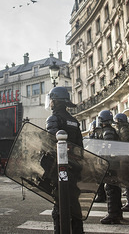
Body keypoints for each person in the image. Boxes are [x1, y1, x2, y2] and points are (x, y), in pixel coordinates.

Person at [45, 86, 84, 234]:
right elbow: (80, 147)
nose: (50, 103)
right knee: (73, 202)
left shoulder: (54, 118)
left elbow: (50, 142)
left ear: (55, 101)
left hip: (60, 168)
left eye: (51, 100)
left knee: (59, 205)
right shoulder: (74, 121)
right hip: (74, 167)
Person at [97, 109, 123, 224]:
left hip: (110, 164)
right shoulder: (112, 130)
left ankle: (112, 214)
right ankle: (118, 212)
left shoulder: (107, 131)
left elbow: (108, 147)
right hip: (114, 163)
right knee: (115, 188)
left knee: (110, 188)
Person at [113, 113, 129, 212]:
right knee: (127, 179)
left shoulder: (124, 129)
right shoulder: (124, 128)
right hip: (126, 156)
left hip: (126, 157)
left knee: (128, 179)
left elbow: (124, 141)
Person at [88, 120, 106, 203]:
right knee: (98, 178)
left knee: (99, 178)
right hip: (97, 157)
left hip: (99, 157)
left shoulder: (98, 133)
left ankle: (101, 195)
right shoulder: (97, 133)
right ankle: (101, 194)